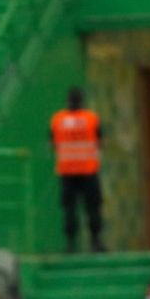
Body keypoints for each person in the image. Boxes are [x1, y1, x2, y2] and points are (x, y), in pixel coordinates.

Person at [50, 87, 104, 253]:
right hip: (88, 170)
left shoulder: (58, 119)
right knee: (93, 207)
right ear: (81, 101)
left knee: (69, 209)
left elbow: (52, 143)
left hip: (67, 171)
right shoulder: (91, 118)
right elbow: (100, 141)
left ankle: (70, 244)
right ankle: (95, 242)